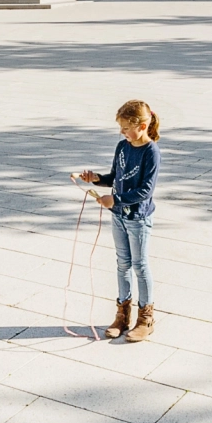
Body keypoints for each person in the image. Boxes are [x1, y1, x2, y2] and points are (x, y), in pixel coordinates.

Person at [74, 100, 163, 342]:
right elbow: (114, 177)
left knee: (140, 265)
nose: (122, 133)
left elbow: (146, 190)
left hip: (138, 218)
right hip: (119, 217)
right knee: (122, 263)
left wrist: (116, 199)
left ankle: (146, 318)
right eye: (121, 128)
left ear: (142, 126)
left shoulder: (151, 152)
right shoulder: (122, 147)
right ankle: (122, 314)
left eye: (126, 128)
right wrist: (95, 179)